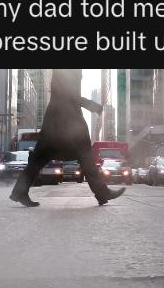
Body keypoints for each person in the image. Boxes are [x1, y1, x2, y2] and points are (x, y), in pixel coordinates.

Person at [9, 69, 124, 207]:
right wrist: (91, 105)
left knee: (39, 160)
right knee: (85, 157)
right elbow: (68, 94)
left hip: (58, 122)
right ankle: (102, 193)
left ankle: (19, 192)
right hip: (66, 123)